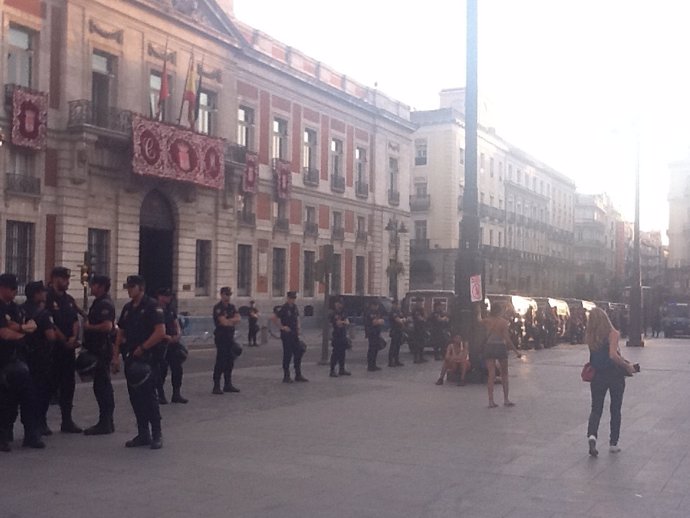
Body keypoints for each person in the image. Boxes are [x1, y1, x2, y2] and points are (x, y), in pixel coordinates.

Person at [112, 275, 166, 450]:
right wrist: (115, 356)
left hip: (148, 359)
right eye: (128, 286)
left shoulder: (152, 306)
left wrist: (143, 347)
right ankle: (143, 433)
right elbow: (121, 332)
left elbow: (160, 332)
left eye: (131, 287)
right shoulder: (128, 308)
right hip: (131, 358)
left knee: (150, 397)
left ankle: (157, 434)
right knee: (135, 398)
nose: (128, 289)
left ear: (140, 288)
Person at [0, 274, 45, 451]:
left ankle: (31, 434)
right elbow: (3, 331)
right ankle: (3, 435)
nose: (14, 291)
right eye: (11, 288)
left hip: (18, 359)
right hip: (2, 360)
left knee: (28, 397)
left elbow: (29, 325)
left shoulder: (15, 308)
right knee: (5, 402)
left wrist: (18, 329)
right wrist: (21, 335)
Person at [586, 307, 636, 457]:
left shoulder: (591, 335)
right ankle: (613, 443)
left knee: (596, 408)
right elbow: (613, 355)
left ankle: (592, 435)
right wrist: (627, 366)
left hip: (597, 376)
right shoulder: (612, 333)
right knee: (615, 408)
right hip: (614, 376)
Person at [46, 266, 82, 433]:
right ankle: (41, 422)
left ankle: (67, 420)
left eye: (68, 279)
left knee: (68, 385)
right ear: (55, 279)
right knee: (48, 385)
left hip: (67, 350)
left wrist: (73, 337)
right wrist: (64, 340)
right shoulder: (46, 298)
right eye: (64, 279)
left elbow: (75, 320)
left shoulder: (68, 299)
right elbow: (50, 323)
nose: (67, 282)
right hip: (52, 350)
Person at [20, 281, 56, 436]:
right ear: (36, 294)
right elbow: (51, 336)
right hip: (41, 358)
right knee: (41, 392)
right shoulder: (43, 314)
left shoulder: (20, 310)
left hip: (24, 356)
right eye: (42, 292)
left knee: (24, 394)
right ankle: (39, 424)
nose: (45, 294)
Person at [82, 275, 116, 435]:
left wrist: (89, 327)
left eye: (94, 285)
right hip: (98, 349)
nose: (91, 287)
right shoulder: (98, 302)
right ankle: (106, 421)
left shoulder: (105, 304)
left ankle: (106, 422)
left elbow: (107, 327)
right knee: (100, 386)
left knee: (103, 387)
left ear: (101, 286)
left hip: (101, 351)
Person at [480, 302, 522, 408]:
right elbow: (507, 339)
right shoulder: (504, 322)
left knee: (491, 374)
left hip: (489, 346)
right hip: (500, 347)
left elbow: (478, 320)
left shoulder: (486, 321)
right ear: (499, 311)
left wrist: (477, 310)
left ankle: (490, 401)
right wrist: (516, 351)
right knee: (504, 374)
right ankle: (506, 399)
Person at [157, 289, 187, 404]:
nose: (169, 298)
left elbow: (176, 322)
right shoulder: (155, 309)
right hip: (161, 344)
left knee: (177, 369)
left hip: (173, 343)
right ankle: (160, 394)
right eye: (166, 296)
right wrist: (166, 337)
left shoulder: (170, 309)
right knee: (161, 370)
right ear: (160, 296)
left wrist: (178, 334)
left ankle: (176, 393)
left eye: (170, 296)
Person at [273, 291, 308, 383]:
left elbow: (297, 318)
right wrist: (282, 327)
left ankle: (298, 374)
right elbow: (274, 318)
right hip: (286, 335)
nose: (292, 300)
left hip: (294, 333)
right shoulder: (284, 308)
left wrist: (299, 327)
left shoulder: (295, 307)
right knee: (287, 354)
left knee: (299, 352)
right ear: (288, 298)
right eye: (291, 298)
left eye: (294, 298)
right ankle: (286, 375)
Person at [212, 286, 241, 394]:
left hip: (230, 336)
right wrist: (231, 321)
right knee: (221, 361)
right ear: (221, 295)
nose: (228, 297)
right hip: (221, 337)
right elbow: (223, 322)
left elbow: (238, 319)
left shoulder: (232, 307)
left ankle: (228, 384)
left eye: (229, 295)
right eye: (226, 294)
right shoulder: (218, 308)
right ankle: (216, 385)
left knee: (230, 361)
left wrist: (230, 321)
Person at [329, 297, 351, 377]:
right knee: (335, 353)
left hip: (343, 334)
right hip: (336, 335)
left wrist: (343, 322)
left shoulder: (344, 312)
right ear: (335, 304)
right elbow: (337, 323)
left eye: (341, 303)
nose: (340, 305)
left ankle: (342, 369)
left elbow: (347, 323)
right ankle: (332, 370)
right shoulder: (333, 313)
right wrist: (343, 322)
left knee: (342, 353)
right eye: (339, 303)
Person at [364, 299, 385, 372]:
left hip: (377, 332)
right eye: (375, 305)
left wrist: (379, 321)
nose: (377, 307)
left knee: (376, 349)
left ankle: (374, 364)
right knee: (372, 349)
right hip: (371, 333)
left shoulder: (377, 312)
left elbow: (381, 321)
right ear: (372, 305)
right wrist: (379, 321)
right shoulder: (369, 312)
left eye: (377, 305)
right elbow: (374, 322)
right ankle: (370, 365)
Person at [388, 299, 405, 367]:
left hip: (399, 330)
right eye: (396, 304)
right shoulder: (392, 311)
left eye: (398, 304)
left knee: (397, 346)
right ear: (393, 304)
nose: (398, 306)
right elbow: (398, 320)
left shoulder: (398, 311)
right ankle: (390, 361)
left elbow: (403, 318)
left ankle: (396, 360)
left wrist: (402, 320)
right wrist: (402, 320)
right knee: (393, 346)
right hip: (394, 330)